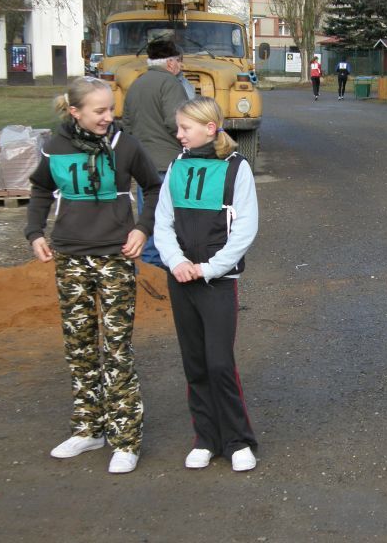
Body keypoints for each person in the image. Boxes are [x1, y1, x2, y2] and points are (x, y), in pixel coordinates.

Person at [24, 76, 162, 474]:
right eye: (99, 111)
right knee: (79, 346)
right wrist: (35, 233)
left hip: (115, 256)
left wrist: (142, 229)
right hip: (70, 257)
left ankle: (126, 439)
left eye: (111, 109)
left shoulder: (126, 145)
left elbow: (154, 188)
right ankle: (88, 428)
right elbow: (39, 191)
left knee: (117, 349)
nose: (108, 117)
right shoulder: (55, 147)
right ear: (75, 112)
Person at [153, 96, 259, 472]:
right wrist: (177, 261)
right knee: (195, 363)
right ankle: (206, 438)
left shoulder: (237, 168)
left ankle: (237, 440)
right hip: (181, 279)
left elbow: (245, 228)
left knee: (219, 362)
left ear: (209, 128)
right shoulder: (176, 166)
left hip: (217, 281)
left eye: (185, 128)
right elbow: (162, 221)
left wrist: (210, 268)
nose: (179, 134)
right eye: (179, 128)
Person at [122, 39, 189, 268]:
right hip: (168, 163)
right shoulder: (171, 84)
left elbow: (127, 125)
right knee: (172, 219)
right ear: (170, 63)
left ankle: (150, 269)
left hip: (143, 164)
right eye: (179, 62)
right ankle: (168, 269)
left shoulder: (136, 85)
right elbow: (175, 122)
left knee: (149, 216)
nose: (181, 66)